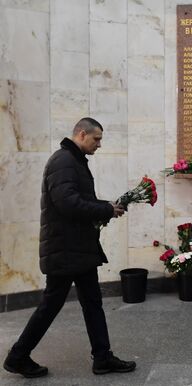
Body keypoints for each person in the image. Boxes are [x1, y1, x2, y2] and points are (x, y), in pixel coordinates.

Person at [3, 118, 136, 378]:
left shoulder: (73, 161)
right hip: (65, 250)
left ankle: (102, 358)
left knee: (92, 302)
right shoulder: (63, 161)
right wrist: (105, 209)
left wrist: (108, 207)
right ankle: (17, 356)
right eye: (96, 139)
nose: (99, 144)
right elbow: (68, 204)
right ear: (82, 134)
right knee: (51, 305)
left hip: (77, 248)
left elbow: (79, 200)